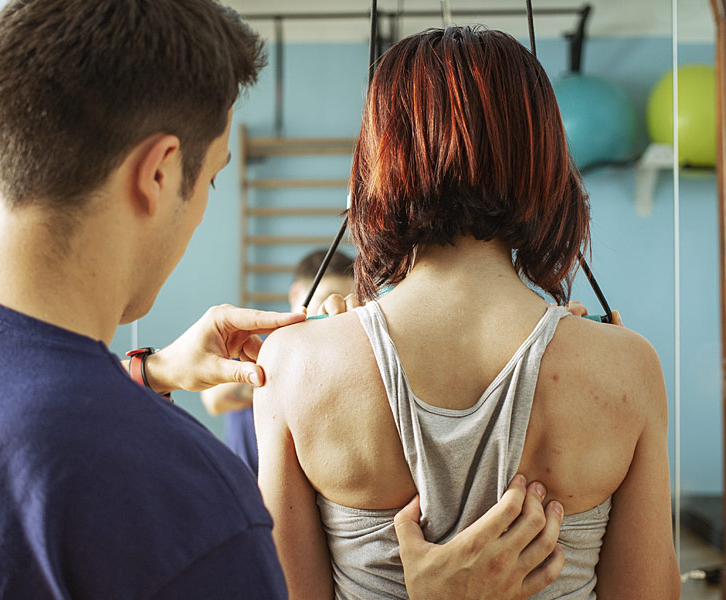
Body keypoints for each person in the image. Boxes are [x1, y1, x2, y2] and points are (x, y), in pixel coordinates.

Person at [0, 4, 566, 598]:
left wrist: (144, 372)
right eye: (211, 178)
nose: (205, 201)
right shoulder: (179, 501)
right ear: (156, 173)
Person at [254, 26, 679, 600]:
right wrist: (611, 360)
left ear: (381, 159)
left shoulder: (294, 367)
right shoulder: (627, 370)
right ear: (542, 159)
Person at [202, 249, 355, 473]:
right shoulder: (252, 345)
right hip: (247, 492)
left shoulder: (345, 362)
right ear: (296, 295)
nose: (333, 311)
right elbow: (214, 398)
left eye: (343, 303)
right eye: (326, 298)